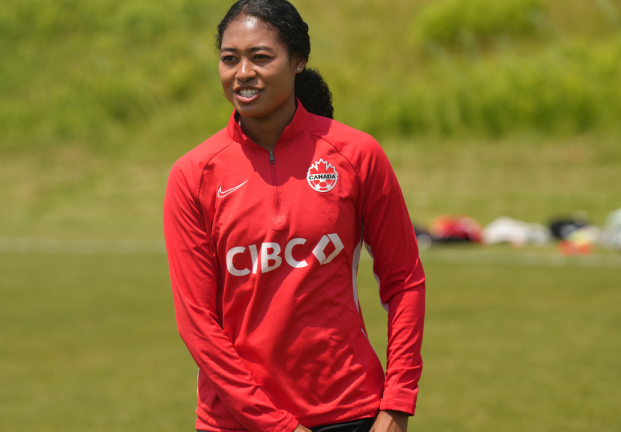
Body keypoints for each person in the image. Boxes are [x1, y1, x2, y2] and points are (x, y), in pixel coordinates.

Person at [163, 1, 426, 431]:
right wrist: (277, 425)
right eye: (230, 59)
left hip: (349, 412)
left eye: (261, 57)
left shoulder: (357, 155)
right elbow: (197, 323)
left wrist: (396, 403)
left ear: (298, 60)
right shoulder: (193, 175)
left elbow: (405, 282)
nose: (242, 72)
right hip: (236, 421)